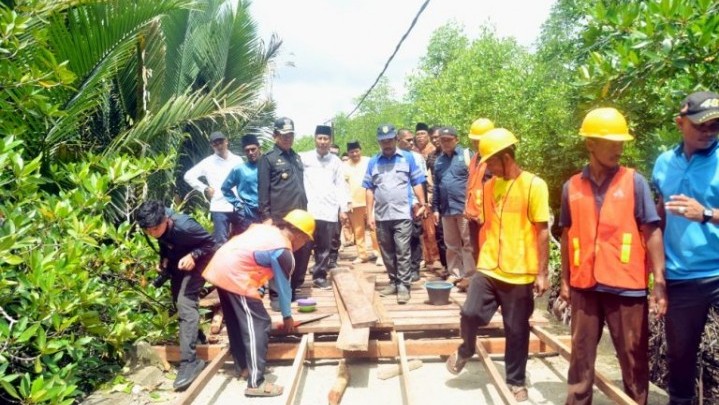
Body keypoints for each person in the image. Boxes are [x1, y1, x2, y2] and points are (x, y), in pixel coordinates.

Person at [559, 108, 667, 405]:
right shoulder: (571, 187)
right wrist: (565, 281)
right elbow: (568, 236)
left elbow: (651, 230)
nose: (619, 148)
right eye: (611, 141)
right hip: (585, 286)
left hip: (626, 286)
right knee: (580, 357)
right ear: (591, 143)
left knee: (633, 358)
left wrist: (659, 279)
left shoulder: (635, 182)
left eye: (622, 142)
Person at [446, 128, 549, 402]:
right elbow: (484, 225)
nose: (488, 168)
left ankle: (516, 380)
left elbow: (542, 230)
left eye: (491, 162)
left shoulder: (534, 185)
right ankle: (466, 349)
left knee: (516, 330)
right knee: (469, 313)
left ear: (506, 157)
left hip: (520, 272)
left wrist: (542, 272)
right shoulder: (490, 186)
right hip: (490, 267)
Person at [202, 209, 315, 397]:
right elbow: (283, 288)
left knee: (238, 323)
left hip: (221, 266)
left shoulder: (268, 230)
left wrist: (259, 292)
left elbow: (254, 261)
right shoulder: (283, 251)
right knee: (259, 323)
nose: (303, 245)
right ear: (299, 234)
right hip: (235, 274)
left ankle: (245, 367)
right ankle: (256, 382)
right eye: (305, 240)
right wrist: (287, 317)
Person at [652, 90, 719, 405]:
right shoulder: (664, 163)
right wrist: (658, 277)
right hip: (681, 278)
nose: (708, 133)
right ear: (681, 123)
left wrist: (705, 214)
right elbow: (659, 219)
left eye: (715, 126)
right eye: (701, 125)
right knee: (680, 358)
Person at [135, 200, 217, 391]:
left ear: (166, 219)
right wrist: (163, 260)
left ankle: (190, 362)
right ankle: (198, 340)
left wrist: (194, 255)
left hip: (200, 261)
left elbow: (212, 244)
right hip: (179, 263)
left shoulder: (185, 226)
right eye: (148, 230)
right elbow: (165, 243)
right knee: (178, 302)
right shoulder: (156, 227)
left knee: (185, 302)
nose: (152, 233)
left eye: (155, 229)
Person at [364, 124, 427, 304]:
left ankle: (403, 286)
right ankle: (393, 281)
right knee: (387, 251)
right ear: (379, 142)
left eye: (390, 140)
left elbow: (416, 181)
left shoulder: (407, 158)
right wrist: (369, 215)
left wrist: (422, 203)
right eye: (383, 141)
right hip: (382, 215)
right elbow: (369, 189)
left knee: (402, 250)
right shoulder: (373, 162)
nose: (387, 144)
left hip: (402, 213)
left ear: (395, 140)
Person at [258, 117, 312, 306]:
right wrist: (266, 217)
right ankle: (276, 295)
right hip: (280, 218)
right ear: (275, 135)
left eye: (290, 135)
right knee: (278, 256)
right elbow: (263, 191)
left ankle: (294, 289)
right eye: (283, 135)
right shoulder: (268, 159)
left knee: (301, 253)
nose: (287, 138)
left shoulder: (296, 157)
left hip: (300, 217)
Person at [300, 125, 350, 289]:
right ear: (315, 139)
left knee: (324, 247)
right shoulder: (304, 158)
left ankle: (320, 277)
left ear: (330, 141)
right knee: (304, 246)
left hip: (329, 210)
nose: (323, 142)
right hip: (309, 210)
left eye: (326, 139)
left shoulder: (335, 161)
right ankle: (298, 279)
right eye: (320, 138)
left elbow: (340, 185)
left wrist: (343, 209)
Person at [184, 131, 243, 244]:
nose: (219, 146)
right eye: (215, 144)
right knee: (220, 242)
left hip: (239, 205)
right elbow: (188, 176)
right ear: (212, 146)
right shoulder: (208, 162)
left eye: (221, 142)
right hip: (219, 206)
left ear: (226, 141)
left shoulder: (238, 160)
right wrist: (204, 188)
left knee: (243, 238)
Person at [432, 126, 474, 282]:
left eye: (448, 140)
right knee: (451, 244)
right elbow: (436, 185)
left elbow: (475, 181)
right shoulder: (439, 161)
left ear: (457, 139)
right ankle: (455, 273)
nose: (445, 143)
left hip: (464, 207)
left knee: (468, 242)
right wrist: (435, 208)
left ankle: (470, 275)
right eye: (442, 140)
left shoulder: (467, 156)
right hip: (446, 209)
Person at [343, 140, 381, 265]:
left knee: (374, 228)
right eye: (351, 152)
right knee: (358, 230)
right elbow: (343, 185)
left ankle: (379, 253)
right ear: (348, 153)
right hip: (354, 202)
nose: (354, 154)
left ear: (361, 150)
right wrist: (346, 202)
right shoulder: (344, 166)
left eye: (356, 151)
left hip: (371, 201)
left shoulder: (369, 161)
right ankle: (362, 254)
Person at [397, 128, 428, 282]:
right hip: (396, 204)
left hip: (414, 203)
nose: (411, 143)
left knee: (415, 237)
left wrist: (423, 204)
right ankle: (401, 270)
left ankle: (414, 269)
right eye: (408, 140)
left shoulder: (417, 157)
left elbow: (421, 182)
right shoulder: (390, 156)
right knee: (398, 238)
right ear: (398, 140)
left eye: (412, 140)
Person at [464, 118, 495, 262]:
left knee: (488, 252)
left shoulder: (494, 160)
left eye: (479, 140)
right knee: (476, 251)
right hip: (473, 216)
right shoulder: (474, 158)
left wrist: (486, 213)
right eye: (474, 140)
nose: (476, 144)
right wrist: (467, 206)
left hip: (487, 217)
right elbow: (471, 184)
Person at [221, 134, 262, 235]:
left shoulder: (268, 166)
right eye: (247, 150)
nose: (251, 153)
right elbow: (225, 188)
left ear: (259, 148)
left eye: (253, 149)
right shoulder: (239, 169)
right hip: (248, 215)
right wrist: (238, 205)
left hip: (269, 214)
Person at [414, 122, 442, 270]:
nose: (420, 137)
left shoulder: (434, 151)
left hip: (433, 193)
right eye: (417, 134)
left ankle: (436, 259)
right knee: (423, 230)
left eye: (423, 134)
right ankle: (427, 258)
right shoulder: (413, 152)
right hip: (419, 193)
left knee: (433, 229)